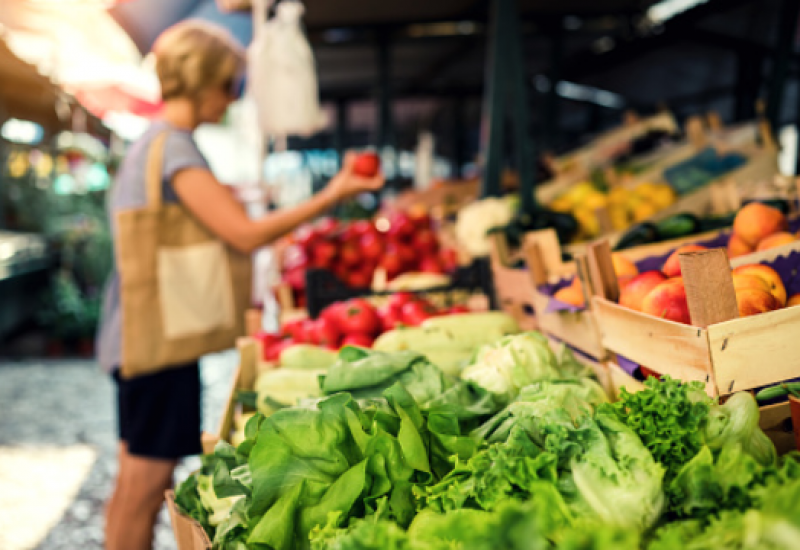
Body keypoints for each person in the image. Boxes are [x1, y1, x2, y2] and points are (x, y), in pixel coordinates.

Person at [97, 20, 384, 550]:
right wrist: (334, 193)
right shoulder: (175, 147)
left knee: (133, 479)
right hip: (156, 343)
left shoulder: (153, 144)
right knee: (144, 485)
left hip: (137, 336)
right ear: (203, 82)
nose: (233, 98)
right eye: (232, 85)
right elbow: (244, 235)